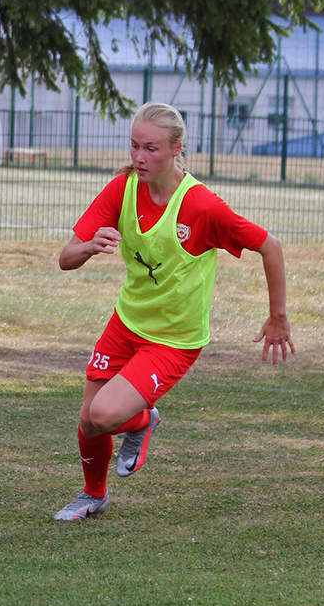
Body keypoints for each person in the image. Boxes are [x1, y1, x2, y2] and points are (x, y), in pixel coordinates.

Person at [53, 102, 293, 522]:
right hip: (125, 324)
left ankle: (142, 420)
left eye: (151, 149)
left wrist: (278, 316)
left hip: (172, 340)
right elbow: (65, 258)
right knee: (89, 422)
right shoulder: (122, 188)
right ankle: (94, 495)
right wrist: (88, 248)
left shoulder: (201, 206)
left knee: (106, 414)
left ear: (176, 149)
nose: (139, 158)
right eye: (134, 146)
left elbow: (269, 246)